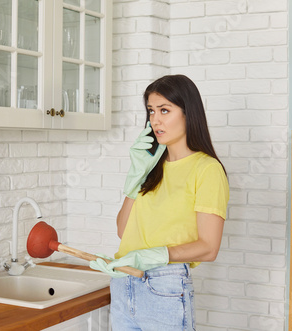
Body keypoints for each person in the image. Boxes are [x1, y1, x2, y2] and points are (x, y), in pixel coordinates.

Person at [90, 74, 229, 330]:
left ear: (189, 113)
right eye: (151, 111)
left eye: (165, 110)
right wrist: (135, 177)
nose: (155, 120)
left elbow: (209, 247)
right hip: (123, 283)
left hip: (164, 287)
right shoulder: (150, 166)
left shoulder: (206, 169)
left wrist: (154, 256)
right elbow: (123, 230)